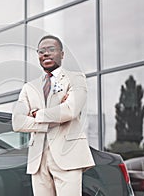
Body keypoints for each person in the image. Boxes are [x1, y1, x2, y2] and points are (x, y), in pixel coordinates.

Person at [12, 35, 95, 196]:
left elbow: (70, 110)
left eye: (51, 49)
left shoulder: (76, 78)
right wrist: (56, 116)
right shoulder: (29, 88)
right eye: (41, 51)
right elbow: (17, 122)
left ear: (62, 54)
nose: (46, 54)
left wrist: (38, 114)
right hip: (38, 160)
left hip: (68, 156)